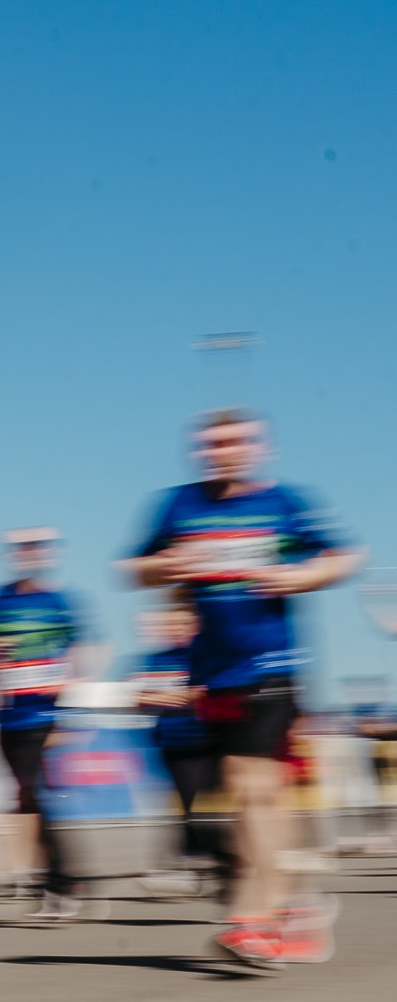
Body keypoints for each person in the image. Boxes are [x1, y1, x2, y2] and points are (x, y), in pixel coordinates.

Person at [122, 407, 361, 968]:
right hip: (211, 672)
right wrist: (170, 565)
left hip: (272, 663)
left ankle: (257, 919)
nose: (223, 451)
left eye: (235, 441)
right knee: (260, 798)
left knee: (250, 787)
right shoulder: (178, 505)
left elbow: (346, 555)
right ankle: (296, 907)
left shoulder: (284, 503)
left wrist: (302, 576)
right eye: (212, 442)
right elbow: (132, 569)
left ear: (259, 448)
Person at [0, 528, 90, 919]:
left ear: (46, 556)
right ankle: (65, 876)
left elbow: (78, 654)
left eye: (35, 550)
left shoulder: (59, 601)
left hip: (43, 715)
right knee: (26, 801)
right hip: (8, 717)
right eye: (20, 550)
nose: (27, 556)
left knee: (33, 797)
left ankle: (59, 883)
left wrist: (68, 693)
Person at [131, 601, 230, 899]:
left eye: (183, 625)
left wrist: (187, 695)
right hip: (171, 741)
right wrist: (159, 697)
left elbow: (215, 691)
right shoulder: (157, 659)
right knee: (188, 807)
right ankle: (201, 863)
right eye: (171, 625)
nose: (177, 631)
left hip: (206, 742)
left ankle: (220, 866)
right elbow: (140, 698)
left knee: (202, 809)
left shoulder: (208, 656)